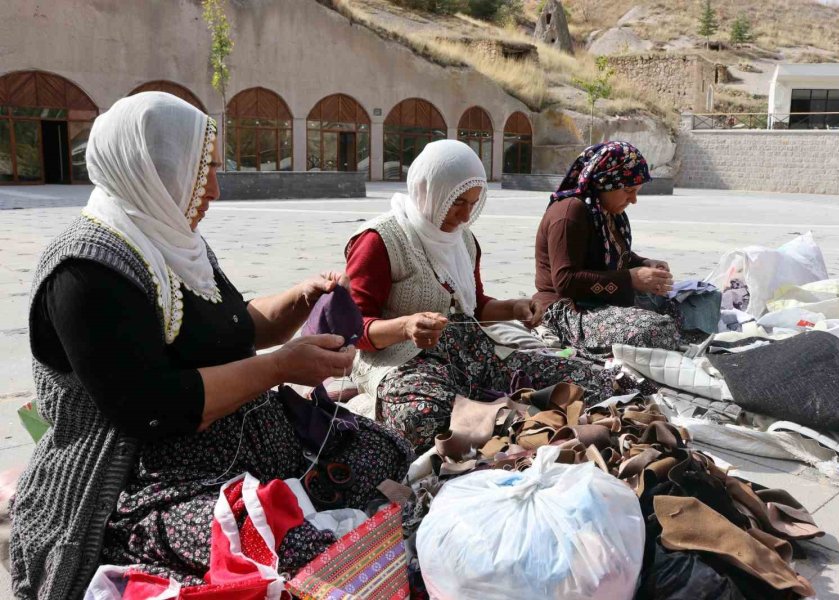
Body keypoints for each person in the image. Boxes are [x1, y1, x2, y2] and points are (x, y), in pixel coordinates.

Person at [10, 92, 412, 599]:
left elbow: (230, 326)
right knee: (286, 549)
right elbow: (155, 409)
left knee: (384, 452)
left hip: (238, 441)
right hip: (145, 476)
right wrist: (278, 368)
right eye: (204, 172)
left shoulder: (173, 240)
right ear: (155, 170)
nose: (215, 190)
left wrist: (298, 299)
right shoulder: (86, 273)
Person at [345, 139, 646, 453]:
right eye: (457, 202)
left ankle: (487, 411)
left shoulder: (463, 240)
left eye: (472, 204)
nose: (465, 216)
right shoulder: (380, 240)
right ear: (428, 190)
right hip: (405, 363)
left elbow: (474, 306)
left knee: (589, 380)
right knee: (425, 420)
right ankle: (381, 403)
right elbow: (352, 329)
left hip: (473, 356)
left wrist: (515, 308)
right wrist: (405, 327)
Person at [533, 141, 683, 356]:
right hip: (568, 309)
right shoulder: (570, 212)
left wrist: (644, 264)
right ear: (604, 182)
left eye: (637, 191)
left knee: (692, 305)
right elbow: (565, 281)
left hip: (601, 302)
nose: (634, 200)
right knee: (656, 330)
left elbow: (609, 253)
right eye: (628, 191)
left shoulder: (607, 212)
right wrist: (630, 279)